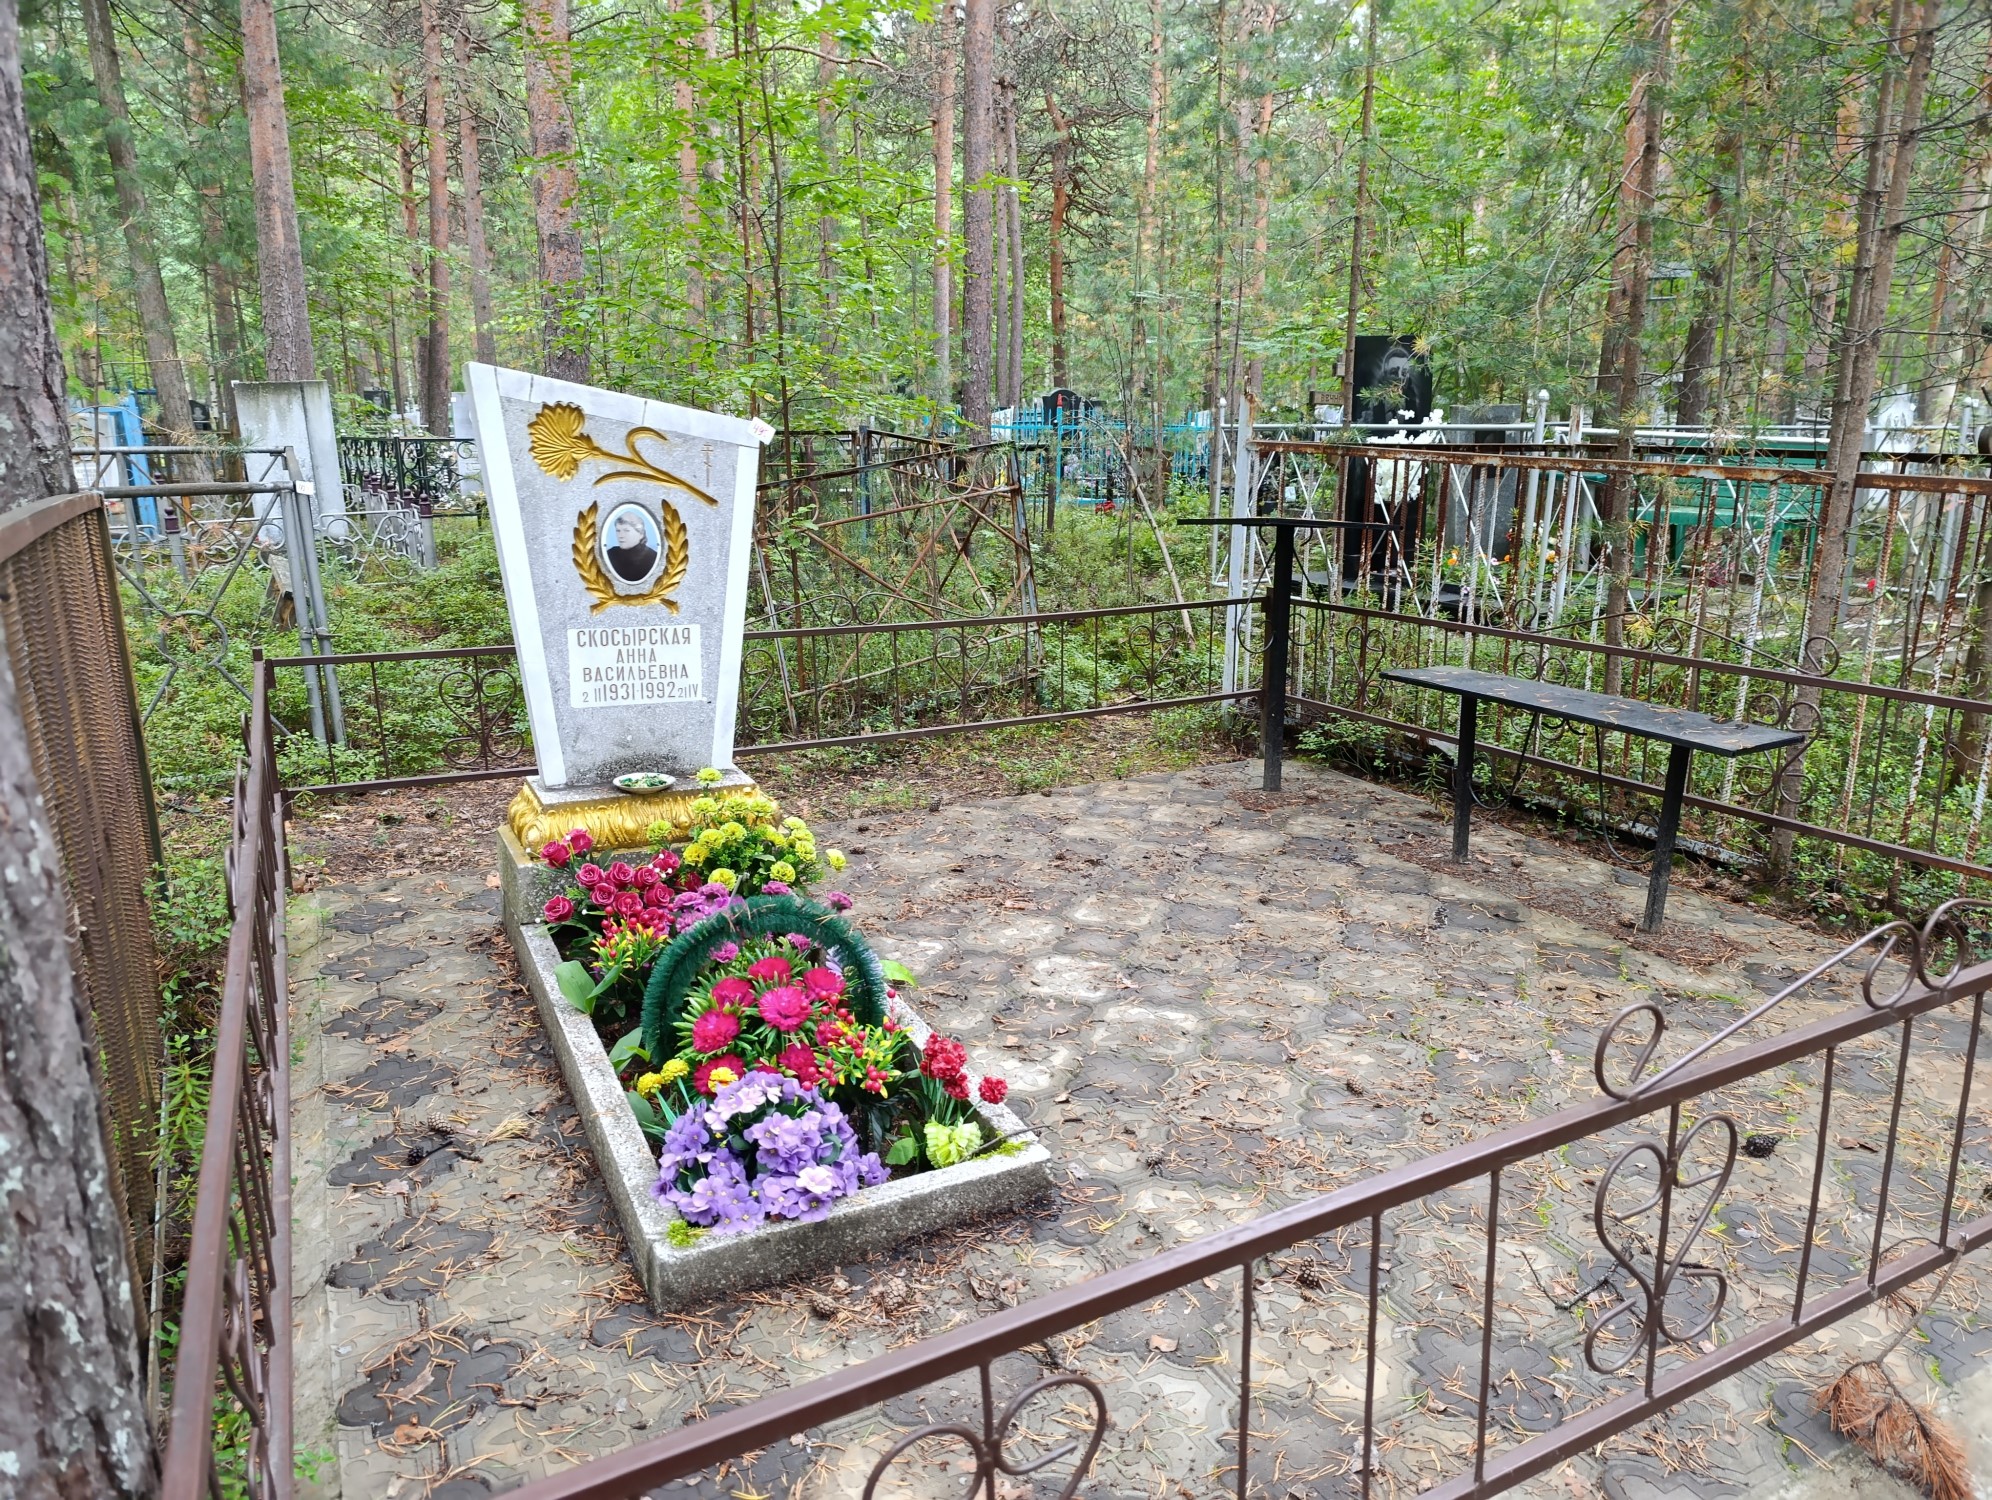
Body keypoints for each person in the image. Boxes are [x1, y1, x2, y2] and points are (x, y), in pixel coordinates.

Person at [606, 509, 658, 581]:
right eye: (618, 531)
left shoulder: (653, 558)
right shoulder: (610, 554)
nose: (620, 535)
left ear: (641, 534)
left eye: (626, 530)